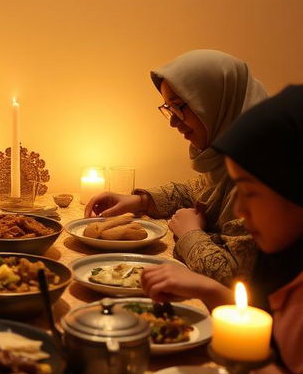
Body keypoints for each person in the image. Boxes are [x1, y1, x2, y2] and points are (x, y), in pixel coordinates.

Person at [141, 85, 303, 374]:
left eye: (250, 193)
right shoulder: (284, 258)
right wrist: (211, 292)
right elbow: (261, 323)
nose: (241, 210)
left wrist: (259, 368)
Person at [85, 49, 267, 283]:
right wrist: (142, 201)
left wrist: (190, 234)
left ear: (216, 103)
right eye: (168, 108)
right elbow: (199, 191)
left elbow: (234, 280)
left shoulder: (261, 173)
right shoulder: (225, 156)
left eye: (179, 106)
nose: (172, 121)